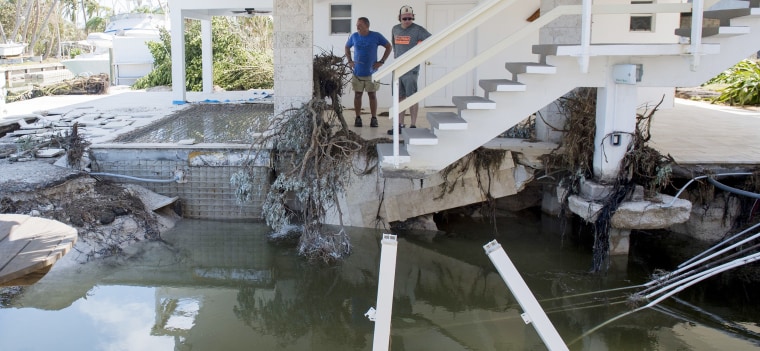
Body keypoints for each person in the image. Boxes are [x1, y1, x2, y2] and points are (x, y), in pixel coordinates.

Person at [388, 5, 431, 135]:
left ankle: (412, 125)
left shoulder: (418, 30)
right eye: (404, 18)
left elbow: (431, 40)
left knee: (411, 97)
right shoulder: (395, 29)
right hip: (398, 68)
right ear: (399, 18)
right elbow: (394, 44)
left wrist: (419, 52)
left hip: (411, 70)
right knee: (399, 97)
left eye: (409, 18)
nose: (407, 21)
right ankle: (400, 125)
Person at [345, 17, 392, 128]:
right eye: (357, 25)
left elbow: (388, 46)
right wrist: (350, 61)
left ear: (367, 26)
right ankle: (358, 118)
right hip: (357, 72)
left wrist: (381, 61)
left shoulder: (376, 36)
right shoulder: (354, 36)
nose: (357, 27)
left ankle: (374, 118)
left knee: (372, 95)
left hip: (372, 72)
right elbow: (347, 47)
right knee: (357, 95)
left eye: (360, 25)